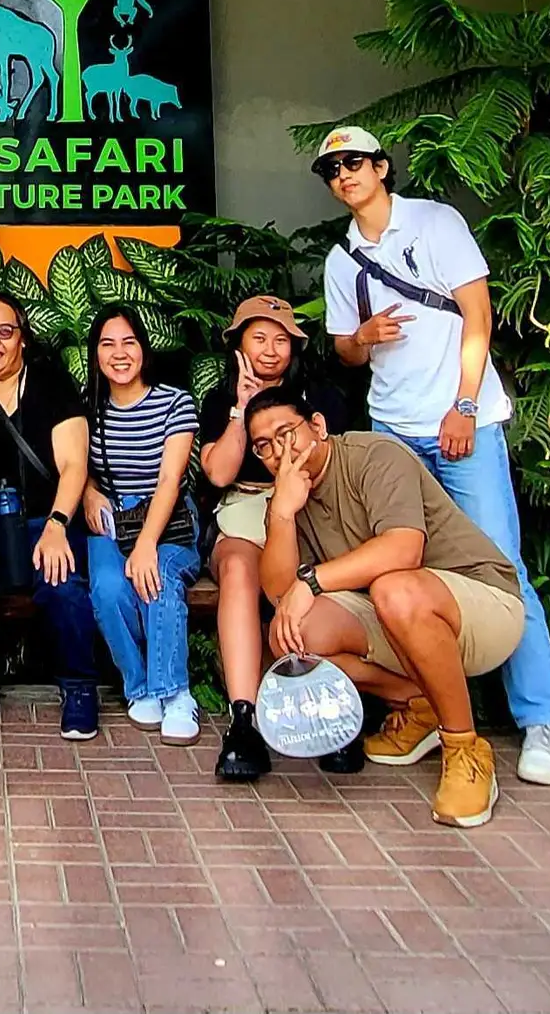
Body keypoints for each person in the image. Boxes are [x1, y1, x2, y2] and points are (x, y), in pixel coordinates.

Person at [314, 125, 550, 786]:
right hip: (394, 430)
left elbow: (477, 316)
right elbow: (345, 347)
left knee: (498, 565)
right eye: (332, 170)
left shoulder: (436, 223)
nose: (344, 176)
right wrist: (364, 337)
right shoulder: (343, 259)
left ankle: (543, 719)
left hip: (462, 423)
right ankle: (430, 709)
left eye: (353, 164)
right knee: (402, 577)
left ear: (380, 167)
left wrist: (463, 406)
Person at [247, 388, 526, 827]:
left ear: (317, 427)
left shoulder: (374, 456)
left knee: (396, 588)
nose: (279, 451)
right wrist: (280, 514)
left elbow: (403, 549)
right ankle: (422, 705)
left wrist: (314, 582)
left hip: (483, 604)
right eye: (264, 445)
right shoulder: (289, 495)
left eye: (287, 433)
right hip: (395, 615)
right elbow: (282, 595)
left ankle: (465, 748)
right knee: (296, 633)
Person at [195, 295, 349, 783]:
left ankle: (328, 711)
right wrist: (241, 409)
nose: (270, 349)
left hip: (310, 506)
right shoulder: (221, 399)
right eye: (258, 338)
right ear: (238, 344)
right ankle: (245, 719)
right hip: (244, 504)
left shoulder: (319, 401)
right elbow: (218, 474)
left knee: (314, 580)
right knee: (239, 571)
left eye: (281, 339)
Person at [0, 293, 102, 742]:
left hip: (43, 514)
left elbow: (74, 464)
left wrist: (56, 523)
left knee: (60, 575)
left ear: (23, 340)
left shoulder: (50, 382)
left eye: (5, 331)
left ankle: (79, 687)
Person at [82, 304, 201, 743]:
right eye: (108, 344)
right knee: (109, 589)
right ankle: (139, 688)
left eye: (129, 342)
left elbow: (171, 478)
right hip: (112, 516)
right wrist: (90, 491)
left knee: (159, 579)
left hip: (166, 517)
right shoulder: (90, 410)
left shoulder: (175, 401)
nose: (119, 353)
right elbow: (79, 467)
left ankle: (176, 692)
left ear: (144, 349)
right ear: (95, 353)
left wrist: (148, 543)